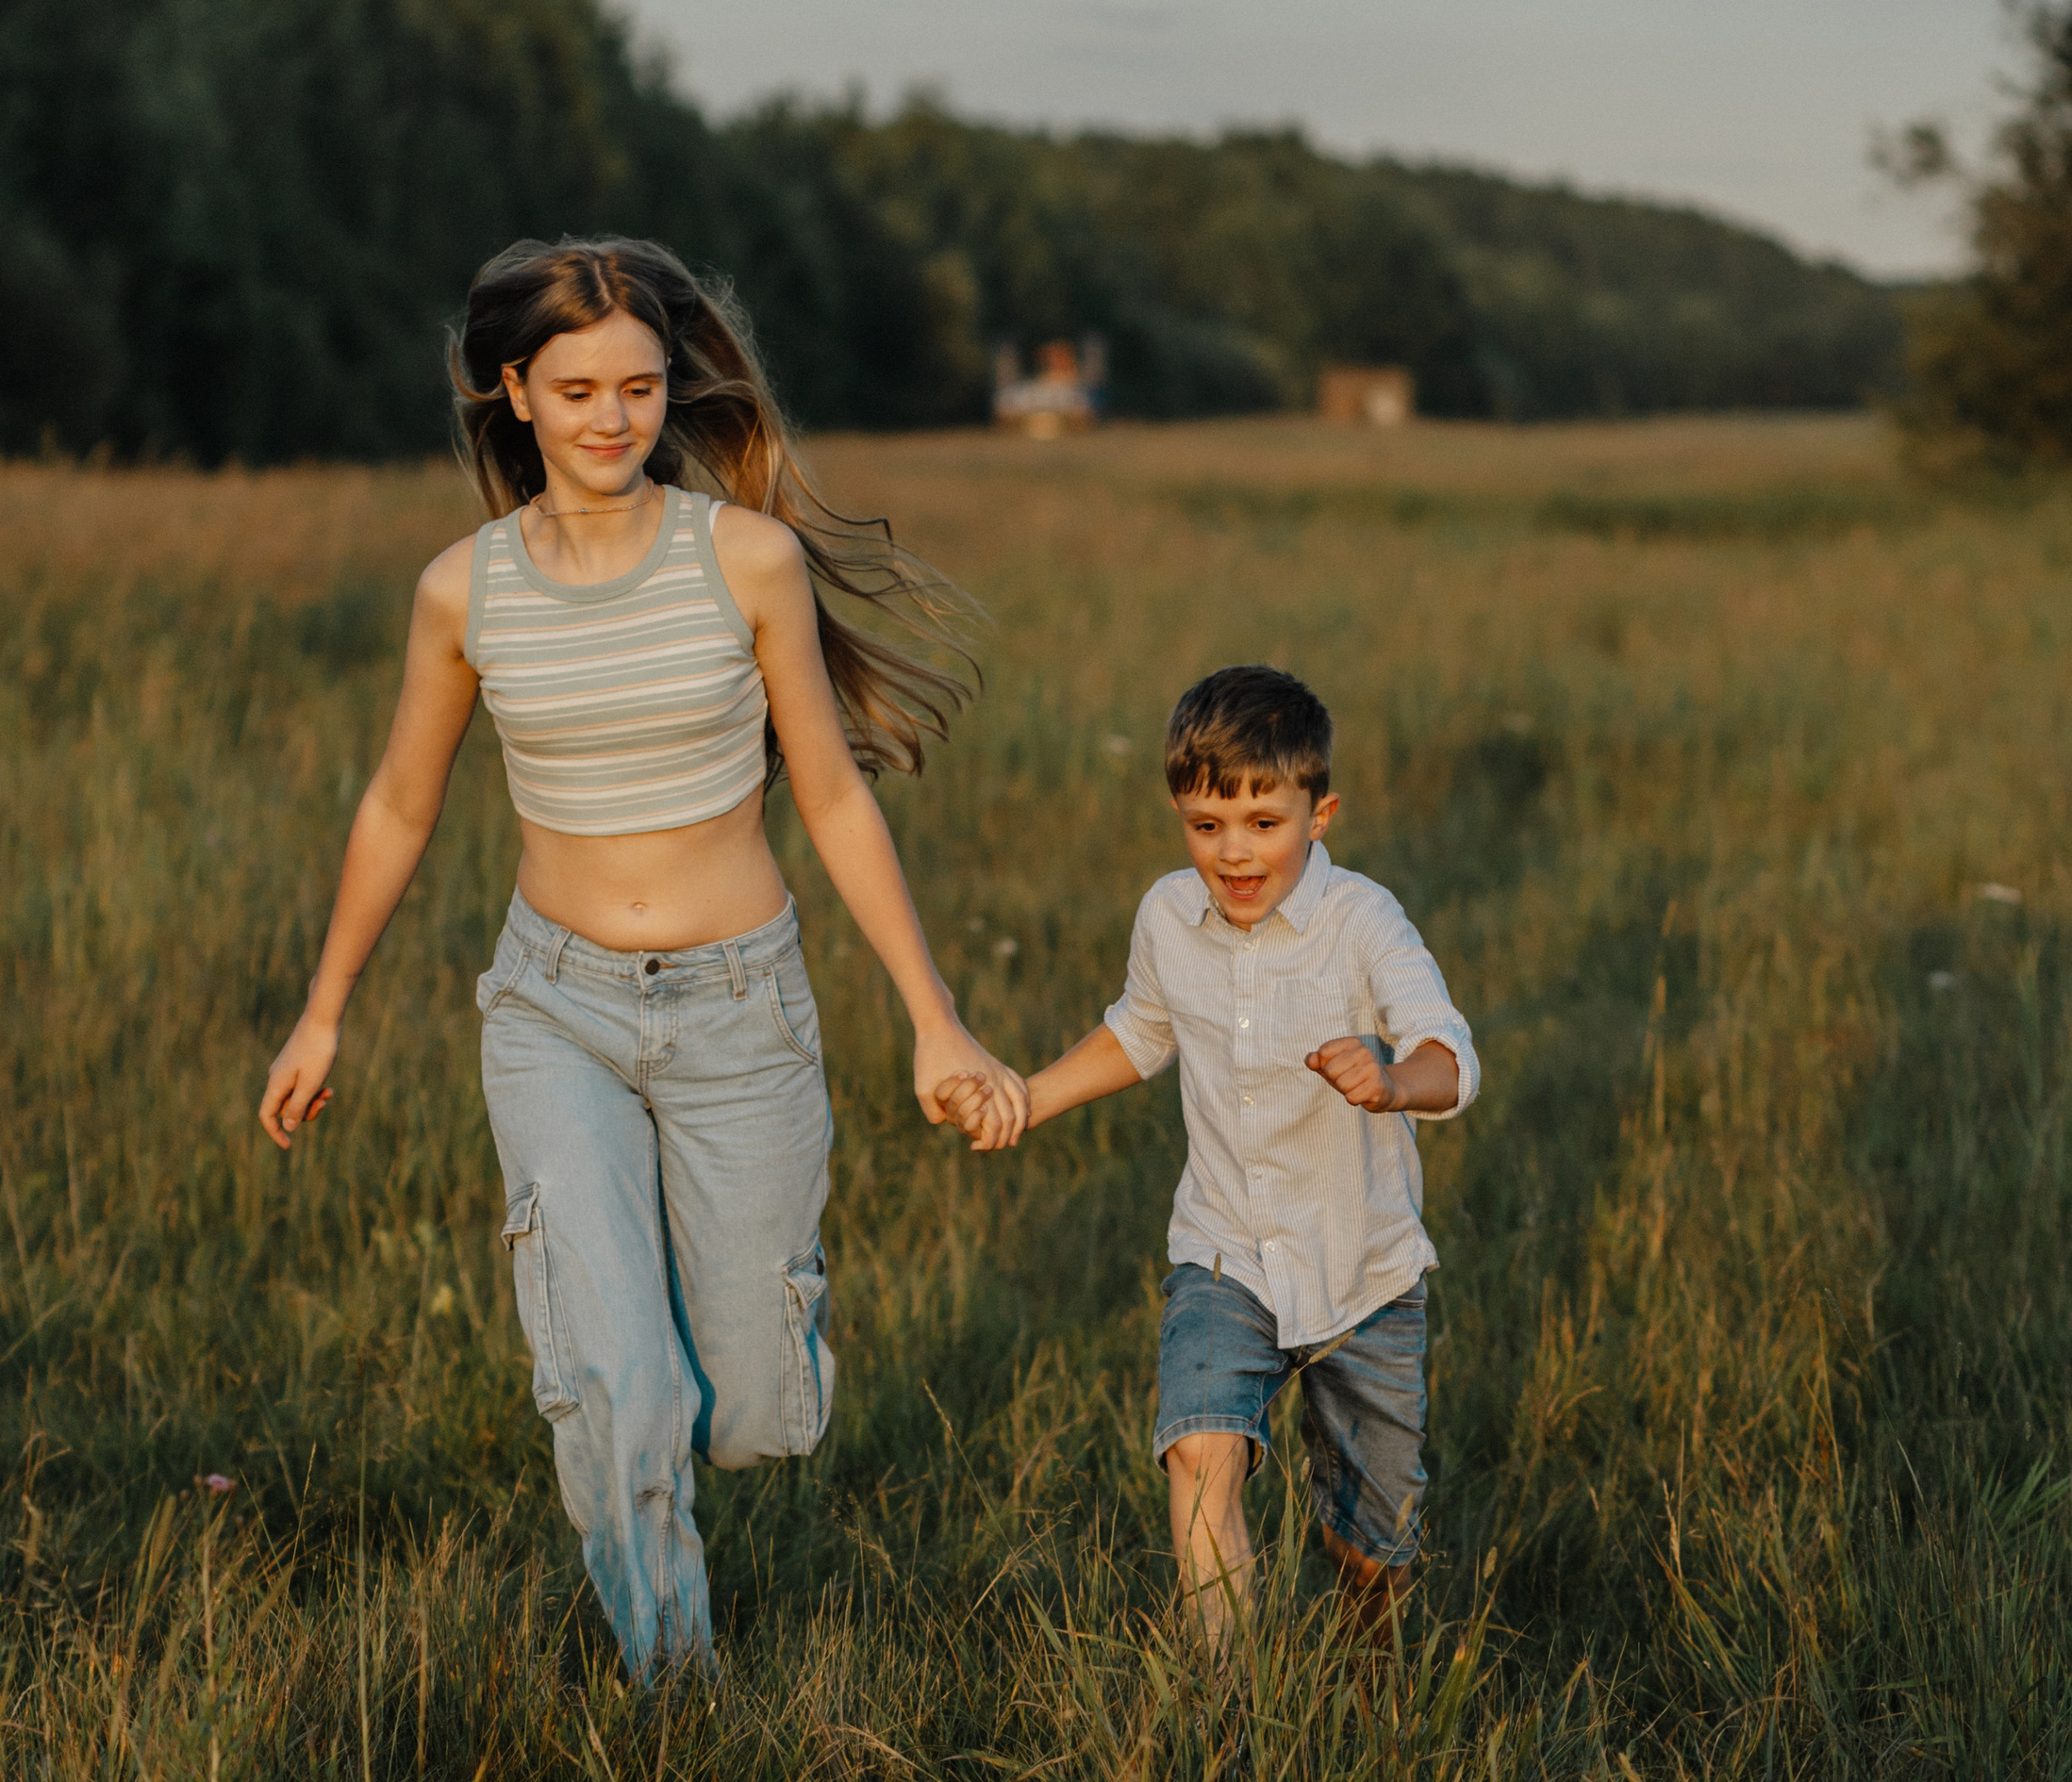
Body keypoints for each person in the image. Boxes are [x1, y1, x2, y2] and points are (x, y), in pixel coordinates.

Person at [259, 237, 1028, 1675]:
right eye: (575, 390)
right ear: (514, 393)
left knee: (738, 1411)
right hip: (554, 1009)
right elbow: (398, 804)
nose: (612, 419)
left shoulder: (745, 559)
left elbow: (834, 793)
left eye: (639, 386)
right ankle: (677, 1689)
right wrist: (323, 1012)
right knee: (616, 1379)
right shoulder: (462, 591)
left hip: (742, 1007)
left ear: (673, 389)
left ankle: (755, 1366)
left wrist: (939, 1020)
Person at [937, 666, 1476, 1662]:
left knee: (1369, 1550)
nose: (1233, 851)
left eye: (1263, 822)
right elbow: (1140, 1031)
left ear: (1320, 814)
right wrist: (1029, 1096)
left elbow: (1451, 1054)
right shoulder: (1165, 916)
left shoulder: (1363, 921)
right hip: (1223, 1252)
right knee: (1198, 1450)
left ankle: (1375, 1680)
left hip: (1362, 1270)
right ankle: (1224, 1707)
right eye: (1205, 823)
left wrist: (1395, 1081)